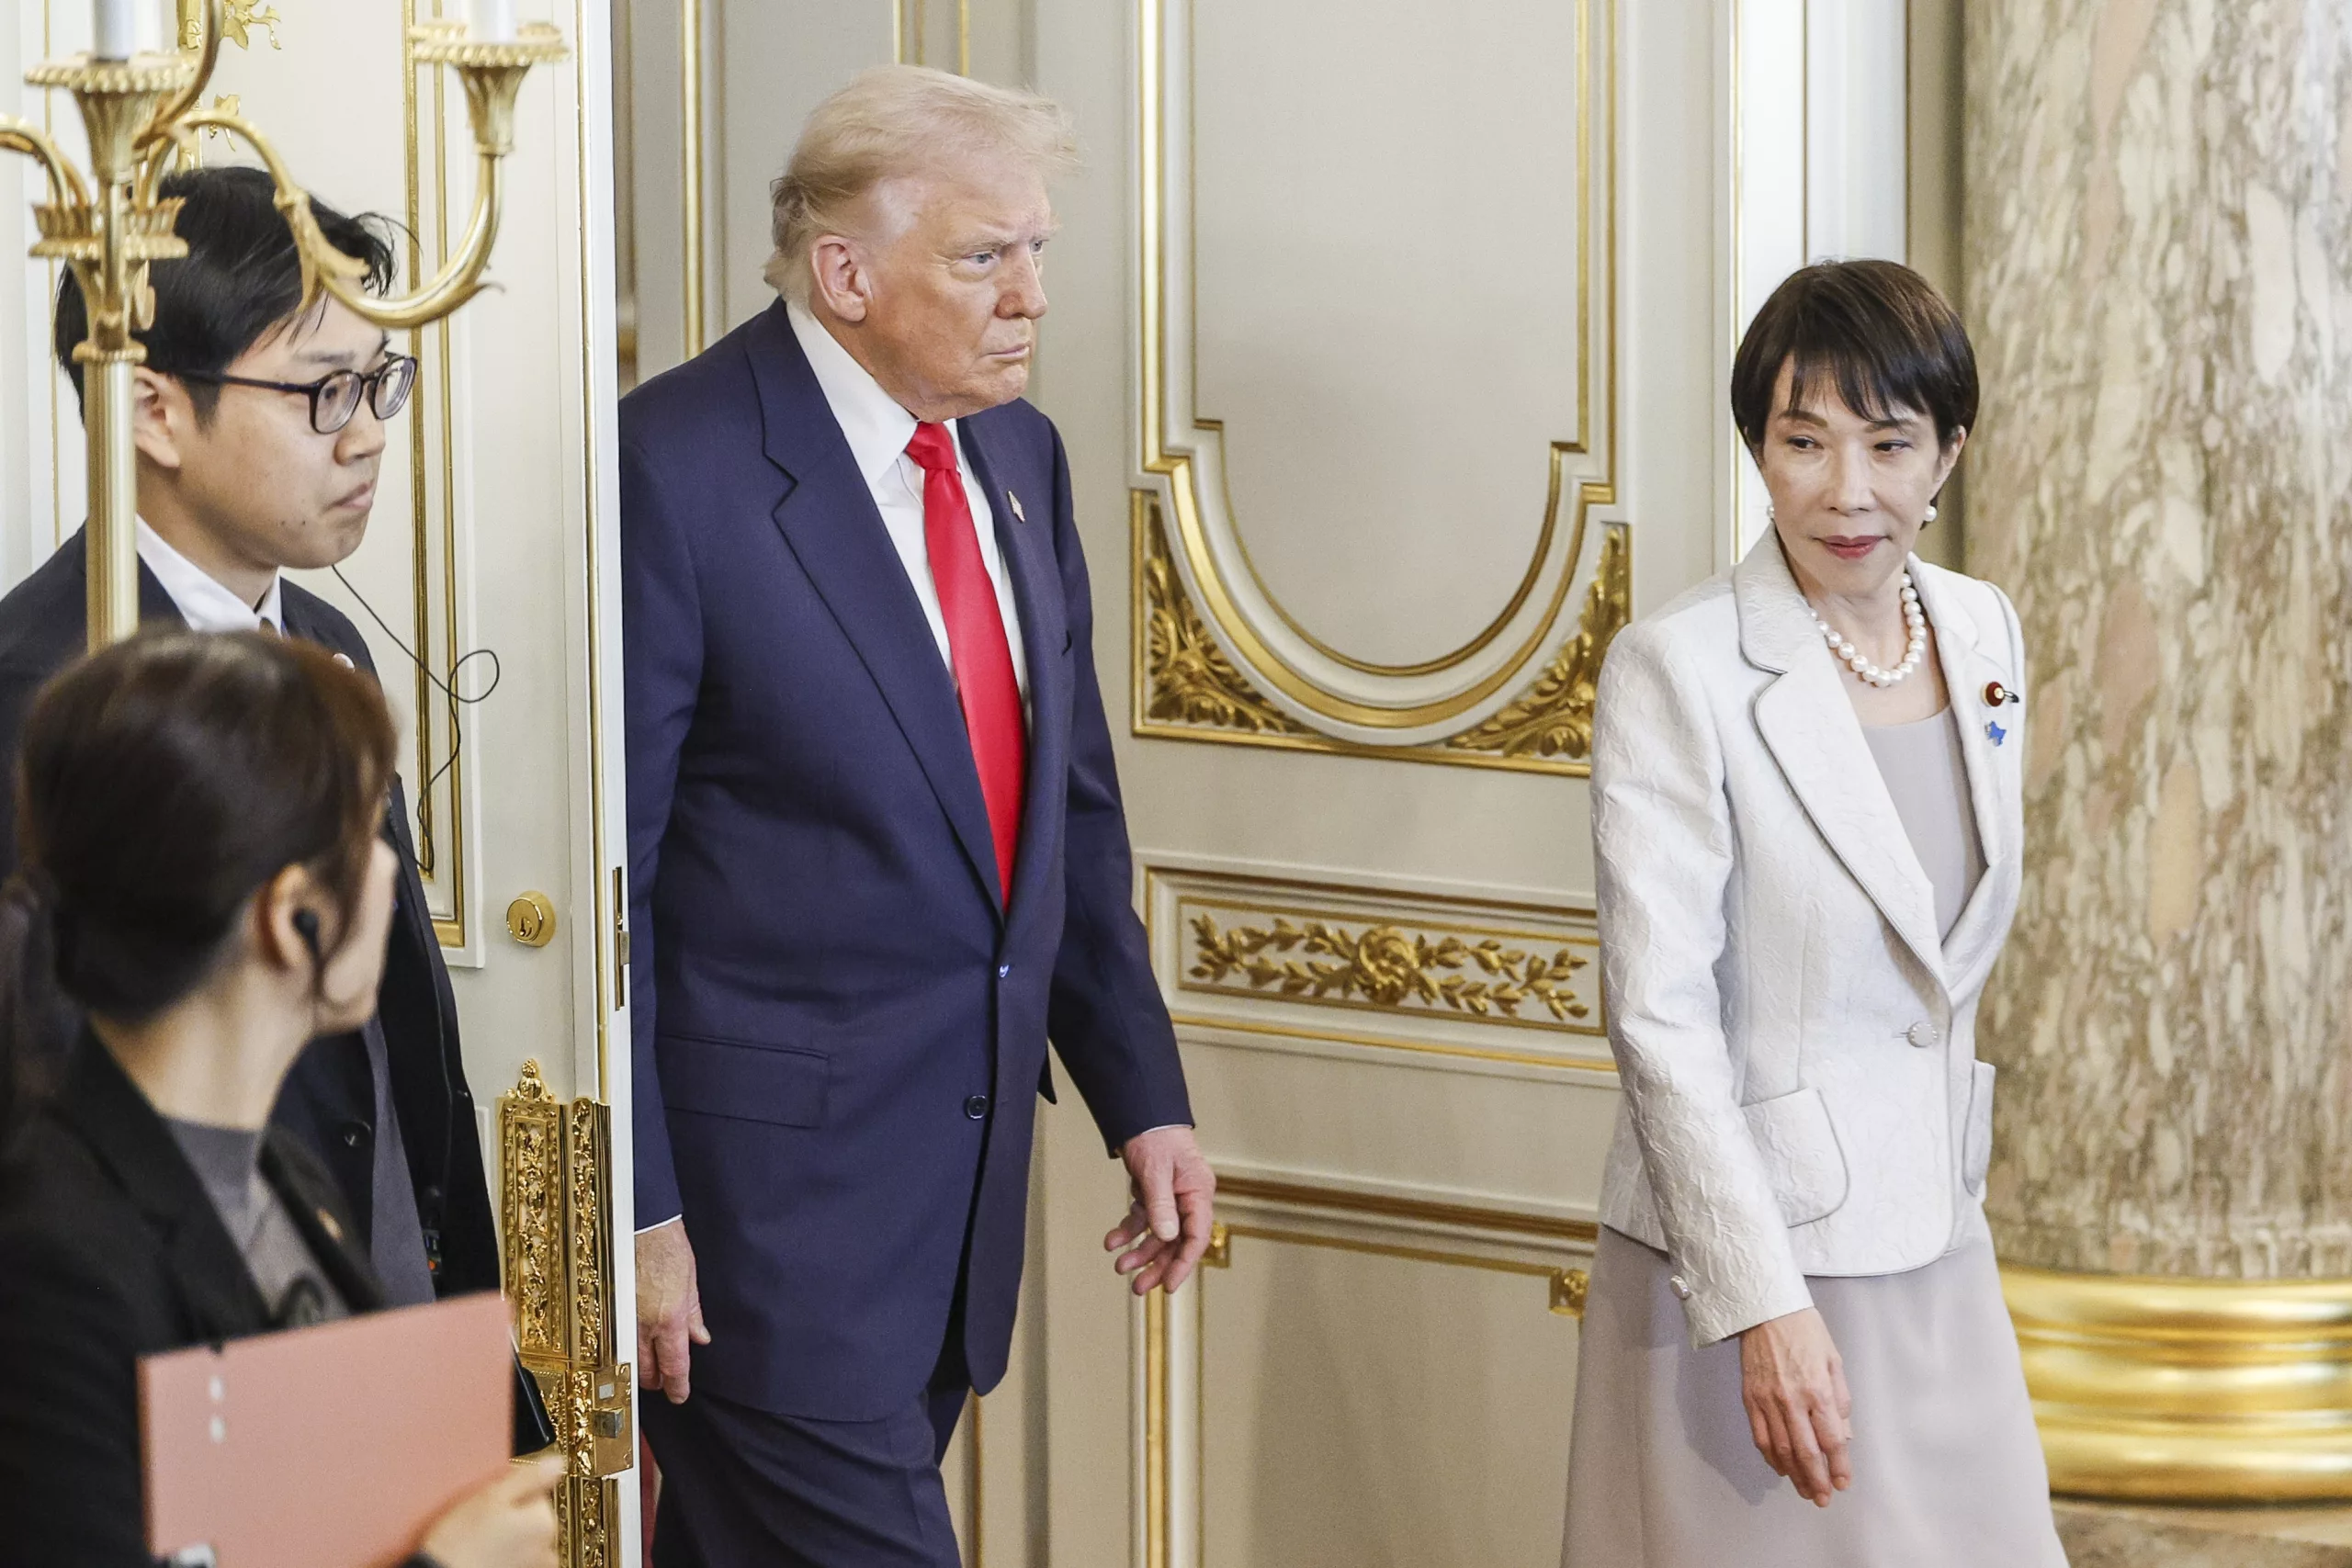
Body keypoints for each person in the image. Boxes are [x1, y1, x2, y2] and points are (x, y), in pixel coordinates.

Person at [620, 65, 1212, 1565]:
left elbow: (1069, 815)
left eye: (1037, 250)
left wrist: (1144, 1093)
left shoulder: (1018, 454)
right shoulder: (673, 468)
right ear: (846, 274)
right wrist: (636, 1210)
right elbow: (613, 878)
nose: (1030, 296)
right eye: (983, 255)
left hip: (946, 1222)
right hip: (756, 1239)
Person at [1560, 260, 2067, 1565]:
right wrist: (1759, 1304)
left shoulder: (1982, 629)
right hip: (1756, 1260)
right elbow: (1659, 1017)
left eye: (1889, 443)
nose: (1848, 490)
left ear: (1949, 451)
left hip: (1938, 1239)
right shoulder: (1679, 667)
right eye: (1804, 442)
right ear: (1758, 449)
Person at [0, 164, 503, 1320]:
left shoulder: (323, 640)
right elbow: (45, 1083)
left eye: (379, 384)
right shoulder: (47, 693)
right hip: (194, 1313)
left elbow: (397, 1024)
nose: (367, 437)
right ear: (153, 410)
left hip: (375, 1267)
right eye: (323, 393)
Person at [0, 631, 560, 1568]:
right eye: (369, 838)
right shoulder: (53, 1267)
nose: (391, 874)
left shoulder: (286, 1177)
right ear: (292, 916)